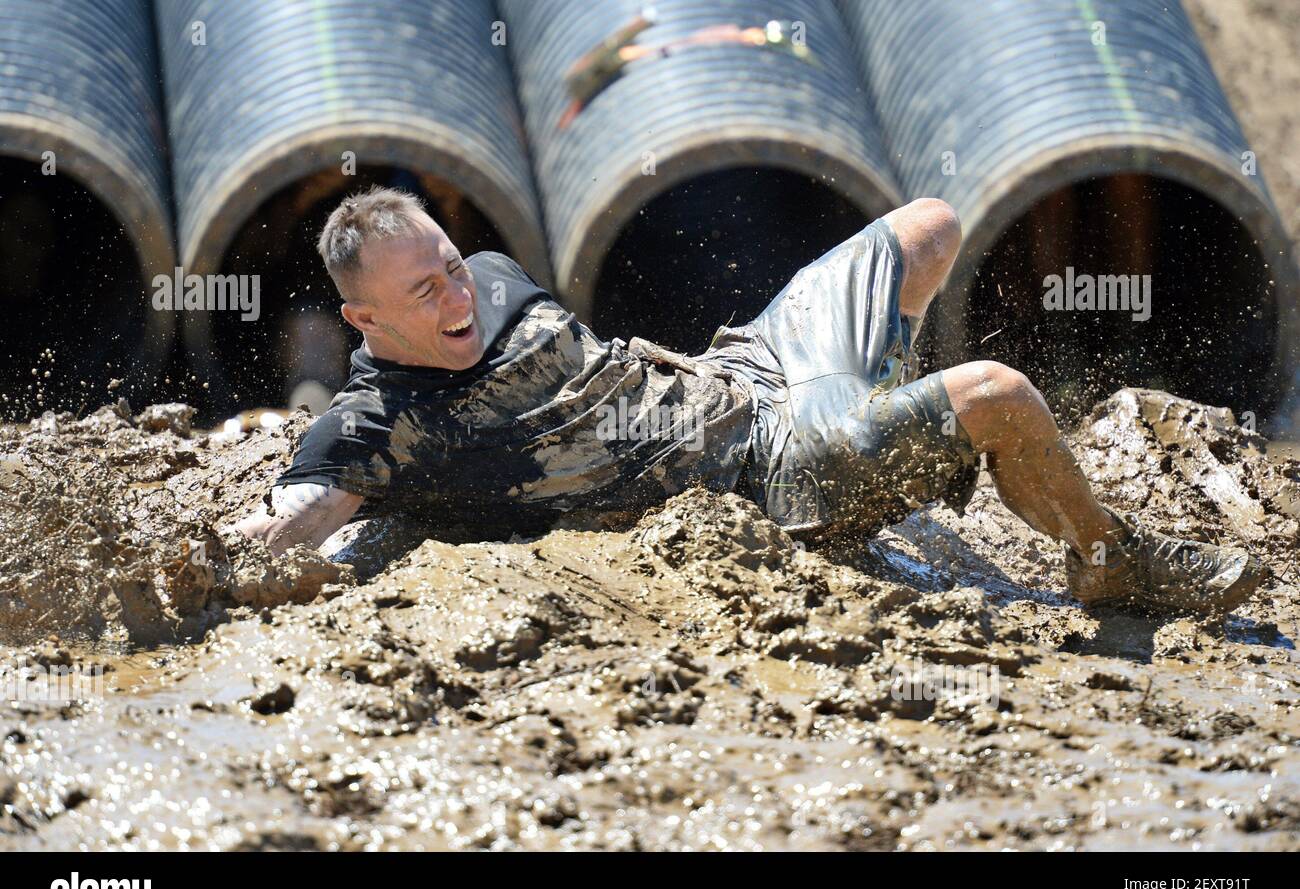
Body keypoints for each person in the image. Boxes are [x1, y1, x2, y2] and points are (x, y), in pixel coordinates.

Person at [232, 186, 1265, 613]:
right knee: (999, 393)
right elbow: (285, 527)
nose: (459, 295)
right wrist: (191, 579)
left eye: (452, 266)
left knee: (929, 226)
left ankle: (886, 428)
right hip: (772, 465)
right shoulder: (378, 428)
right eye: (424, 292)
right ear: (365, 324)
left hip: (749, 370)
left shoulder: (494, 276)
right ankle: (1108, 561)